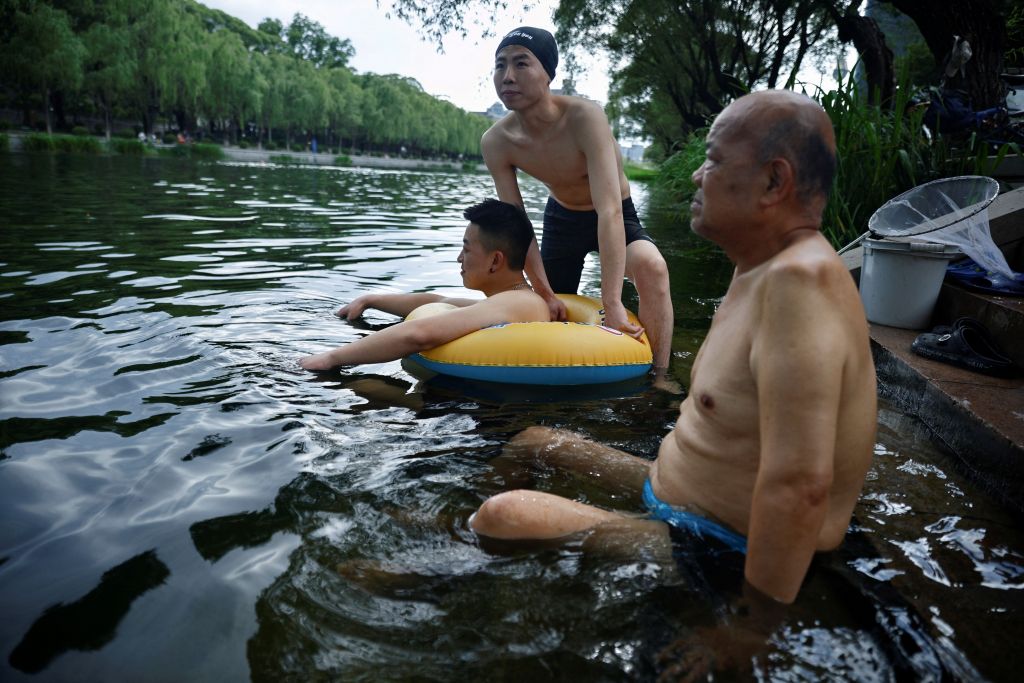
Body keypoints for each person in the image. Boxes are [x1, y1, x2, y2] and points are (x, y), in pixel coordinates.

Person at [469, 90, 878, 664]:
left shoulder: (799, 285)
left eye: (711, 160)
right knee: (533, 440)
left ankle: (460, 592)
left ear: (772, 182)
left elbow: (800, 486)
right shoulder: (760, 266)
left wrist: (748, 630)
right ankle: (453, 539)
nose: (695, 175)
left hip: (719, 543)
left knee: (505, 516)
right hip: (677, 490)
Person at [483, 27, 674, 379]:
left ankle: (659, 379)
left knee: (653, 267)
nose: (508, 76)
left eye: (521, 63)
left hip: (615, 213)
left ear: (548, 74)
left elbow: (611, 210)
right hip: (562, 219)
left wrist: (612, 303)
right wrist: (539, 289)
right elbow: (516, 225)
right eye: (500, 65)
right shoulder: (497, 141)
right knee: (549, 304)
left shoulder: (585, 117)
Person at [300, 199, 549, 371]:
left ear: (495, 260)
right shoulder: (516, 300)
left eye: (466, 249)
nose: (459, 258)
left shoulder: (516, 303)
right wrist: (370, 300)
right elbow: (439, 302)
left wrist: (330, 358)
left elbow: (421, 334)